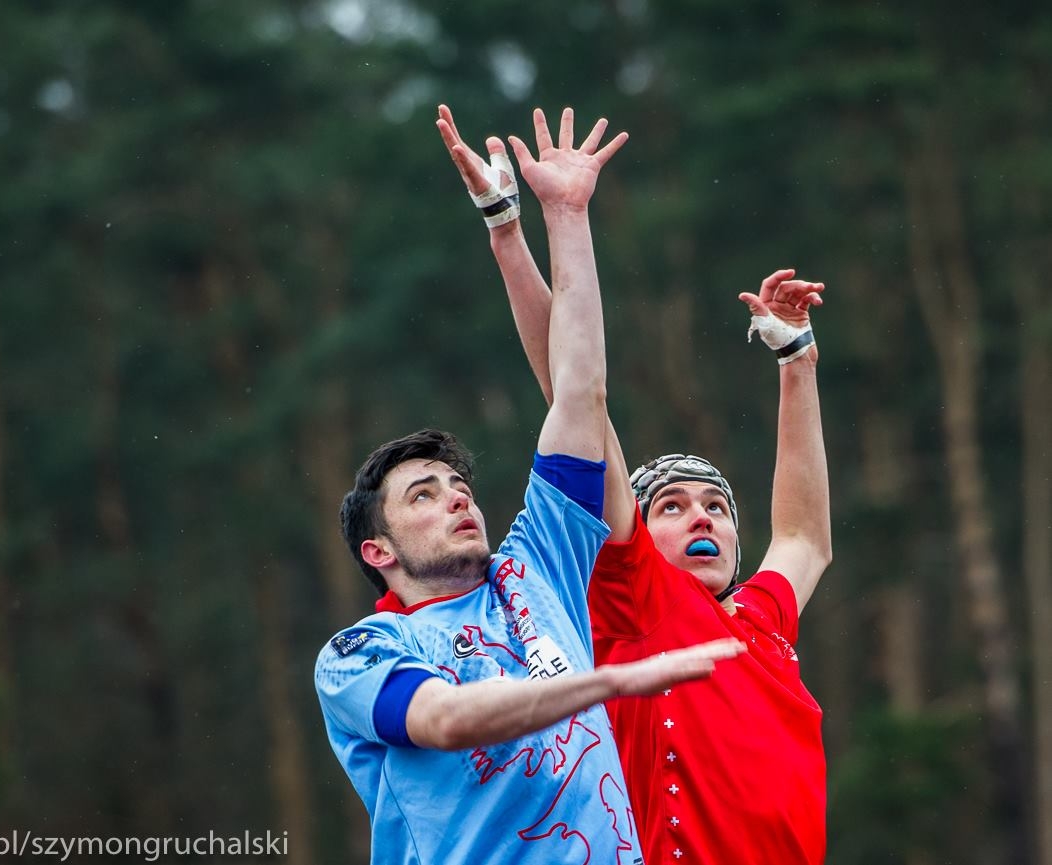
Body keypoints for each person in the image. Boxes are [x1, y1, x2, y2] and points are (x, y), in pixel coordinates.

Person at [314, 106, 744, 865]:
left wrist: (563, 217)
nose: (456, 497)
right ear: (376, 550)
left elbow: (581, 394)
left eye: (457, 484)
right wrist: (608, 683)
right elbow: (447, 719)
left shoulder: (536, 564)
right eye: (423, 494)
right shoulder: (362, 651)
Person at [438, 104, 832, 865]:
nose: (702, 516)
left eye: (717, 505)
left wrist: (797, 362)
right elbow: (576, 394)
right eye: (673, 506)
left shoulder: (761, 620)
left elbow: (804, 536)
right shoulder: (636, 592)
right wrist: (520, 229)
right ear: (633, 532)